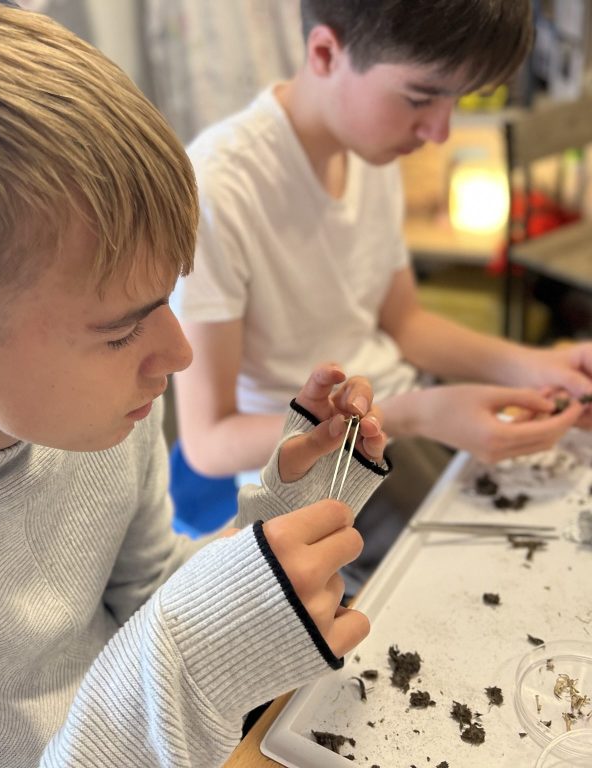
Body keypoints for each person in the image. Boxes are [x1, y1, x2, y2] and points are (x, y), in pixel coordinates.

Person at [0, 2, 393, 766]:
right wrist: (185, 667)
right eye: (122, 329)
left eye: (167, 300)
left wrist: (279, 521)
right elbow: (167, 656)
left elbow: (146, 596)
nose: (178, 354)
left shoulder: (95, 412)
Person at [172, 0, 592, 563]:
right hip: (311, 480)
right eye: (420, 97)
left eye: (456, 99)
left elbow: (406, 323)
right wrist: (413, 412)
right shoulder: (220, 190)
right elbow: (208, 442)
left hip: (398, 426)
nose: (439, 130)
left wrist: (535, 365)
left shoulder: (369, 150)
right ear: (325, 52)